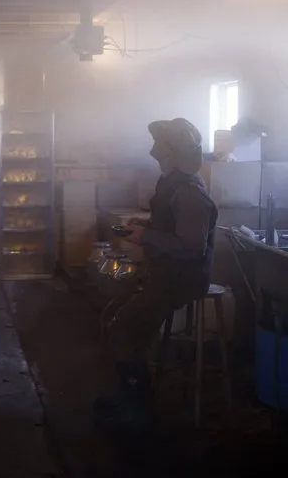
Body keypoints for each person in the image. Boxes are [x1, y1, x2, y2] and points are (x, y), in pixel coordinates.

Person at [94, 118, 219, 431]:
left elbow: (191, 248)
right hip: (166, 273)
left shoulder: (190, 193)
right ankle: (129, 396)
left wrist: (146, 237)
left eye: (160, 142)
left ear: (172, 151)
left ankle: (138, 409)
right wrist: (145, 230)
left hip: (181, 279)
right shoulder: (173, 185)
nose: (153, 147)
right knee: (118, 315)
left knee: (123, 328)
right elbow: (171, 232)